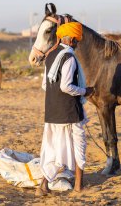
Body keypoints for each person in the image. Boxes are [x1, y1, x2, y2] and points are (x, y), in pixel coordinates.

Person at [36, 22, 95, 196]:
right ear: (71, 40)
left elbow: (45, 85)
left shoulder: (51, 55)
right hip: (69, 112)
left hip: (52, 111)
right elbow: (66, 86)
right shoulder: (69, 57)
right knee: (79, 146)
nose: (77, 44)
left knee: (53, 148)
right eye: (77, 40)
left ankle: (43, 186)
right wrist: (85, 91)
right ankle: (78, 186)